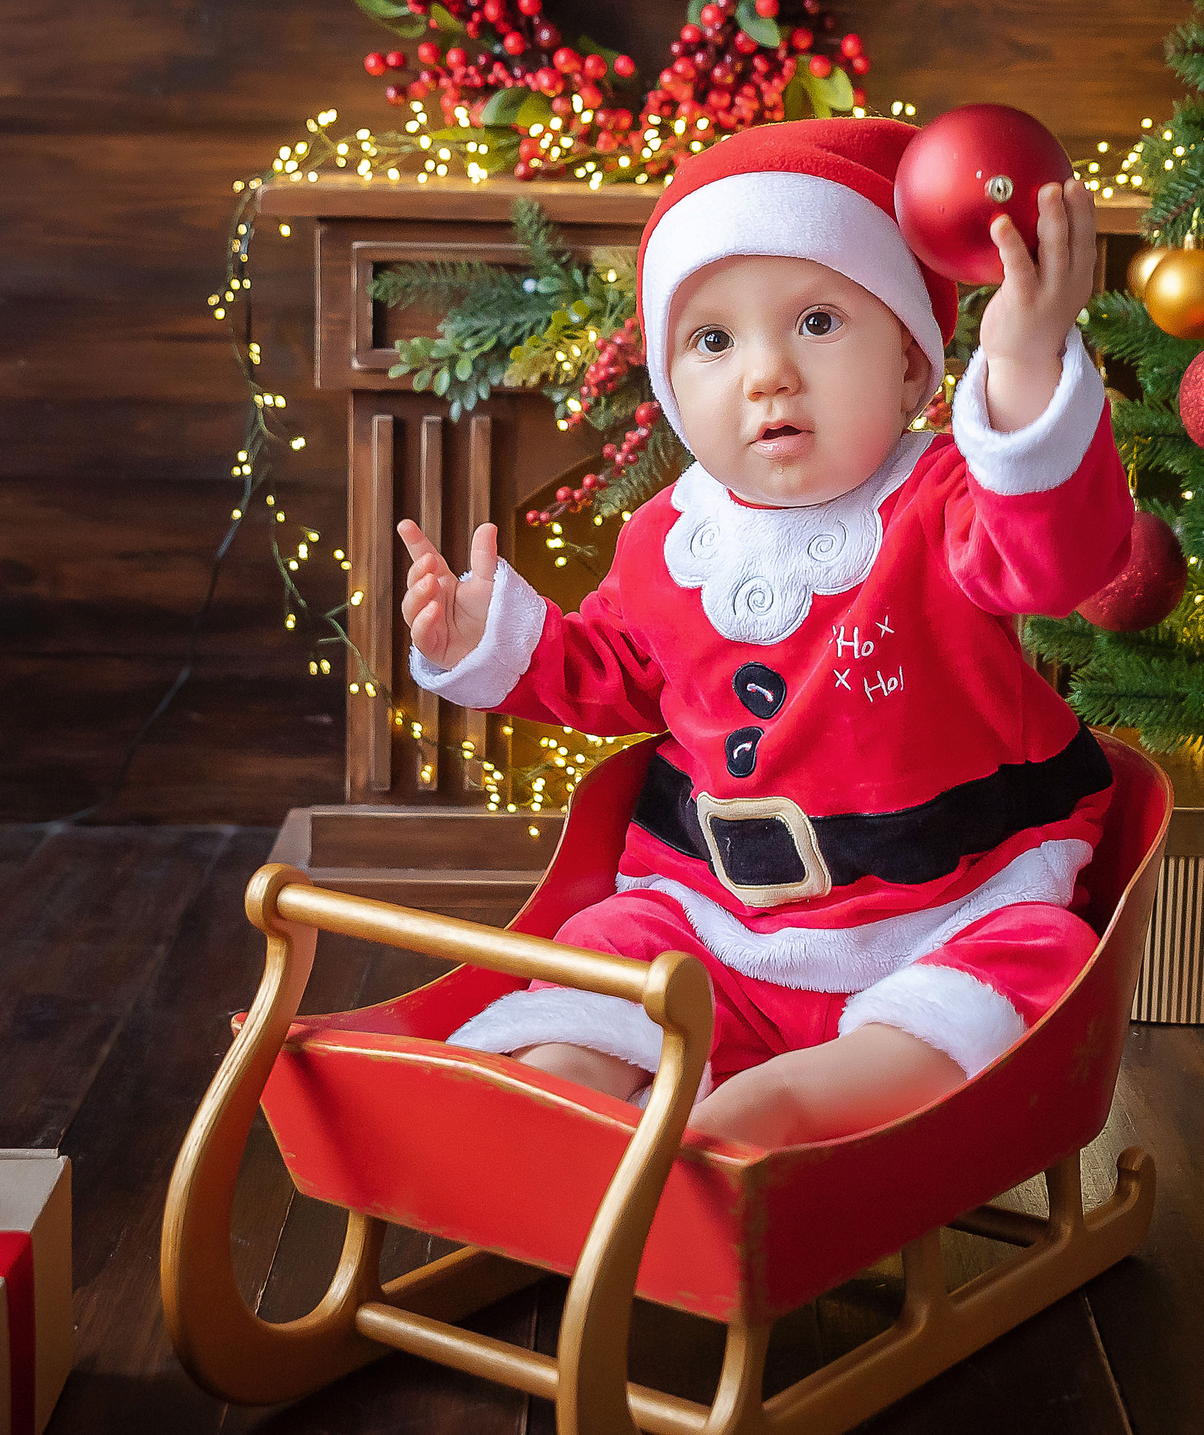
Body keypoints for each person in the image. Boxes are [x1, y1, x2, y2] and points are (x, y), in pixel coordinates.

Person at [396, 117, 1132, 1148]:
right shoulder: (666, 538)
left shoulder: (946, 502)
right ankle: (563, 1103)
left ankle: (775, 1117)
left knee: (1017, 969)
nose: (767, 373)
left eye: (820, 321)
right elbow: (612, 672)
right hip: (714, 914)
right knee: (604, 967)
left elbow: (1055, 554)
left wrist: (1021, 363)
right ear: (671, 390)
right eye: (712, 340)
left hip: (945, 909)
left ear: (915, 370)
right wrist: (491, 639)